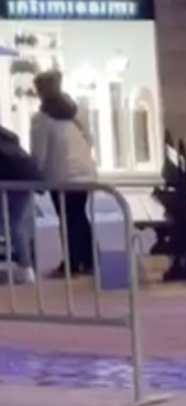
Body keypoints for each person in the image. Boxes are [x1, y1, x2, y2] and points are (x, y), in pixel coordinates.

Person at [30, 69, 97, 279]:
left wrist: (36, 177)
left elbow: (39, 153)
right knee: (79, 216)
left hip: (62, 176)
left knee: (67, 219)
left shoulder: (42, 119)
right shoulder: (75, 111)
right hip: (84, 172)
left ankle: (72, 263)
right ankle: (88, 260)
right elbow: (90, 139)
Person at [0, 124, 42, 284]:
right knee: (18, 224)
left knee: (13, 224)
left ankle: (25, 266)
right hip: (25, 182)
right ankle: (26, 266)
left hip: (10, 184)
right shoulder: (9, 139)